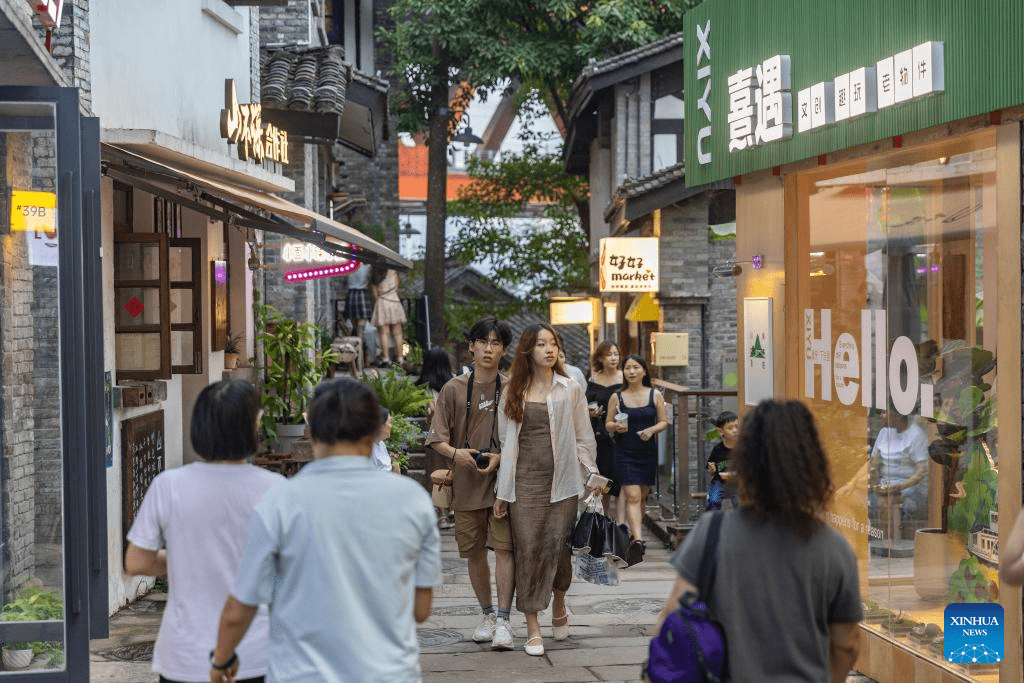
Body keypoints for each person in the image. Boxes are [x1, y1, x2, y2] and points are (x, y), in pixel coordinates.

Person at [210, 378, 441, 683]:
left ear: (311, 431)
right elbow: (420, 609)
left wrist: (221, 661)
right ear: (374, 431)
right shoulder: (413, 501)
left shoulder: (280, 501)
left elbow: (239, 608)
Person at [656, 400, 862, 683]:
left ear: (745, 460)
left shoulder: (712, 533)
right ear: (814, 461)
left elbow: (671, 618)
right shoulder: (835, 548)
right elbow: (846, 644)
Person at [125, 379, 284, 683]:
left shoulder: (169, 485)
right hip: (256, 654)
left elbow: (136, 562)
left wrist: (183, 560)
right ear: (251, 428)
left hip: (185, 655)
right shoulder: (276, 490)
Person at [494, 323, 602, 656]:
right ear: (528, 350)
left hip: (563, 481)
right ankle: (532, 627)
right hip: (523, 482)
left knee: (558, 549)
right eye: (541, 344)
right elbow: (505, 441)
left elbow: (584, 437)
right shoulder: (512, 388)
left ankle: (559, 600)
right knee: (527, 550)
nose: (549, 349)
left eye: (553, 343)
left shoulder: (570, 388)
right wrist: (502, 491)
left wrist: (592, 476)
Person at [425, 317, 516, 649]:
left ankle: (505, 620)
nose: (489, 348)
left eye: (496, 343)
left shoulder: (512, 387)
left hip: (504, 483)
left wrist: (501, 458)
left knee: (505, 550)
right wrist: (458, 455)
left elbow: (523, 438)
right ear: (472, 347)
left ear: (504, 350)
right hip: (465, 482)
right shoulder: (453, 389)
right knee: (475, 553)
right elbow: (437, 440)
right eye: (483, 342)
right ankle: (488, 615)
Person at [605, 354, 668, 548]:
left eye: (636, 368)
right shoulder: (617, 397)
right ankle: (639, 541)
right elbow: (607, 424)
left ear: (644, 371)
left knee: (642, 496)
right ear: (623, 372)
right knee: (632, 495)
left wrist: (651, 430)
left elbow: (663, 422)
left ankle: (634, 533)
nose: (631, 372)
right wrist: (615, 427)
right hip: (624, 451)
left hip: (647, 451)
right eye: (627, 368)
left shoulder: (654, 394)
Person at [868, 407, 928, 533]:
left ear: (897, 415)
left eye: (885, 412)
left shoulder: (916, 435)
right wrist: (872, 484)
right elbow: (872, 465)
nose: (881, 415)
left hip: (911, 491)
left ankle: (888, 541)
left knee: (885, 501)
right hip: (886, 487)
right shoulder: (884, 432)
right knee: (848, 496)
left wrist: (899, 487)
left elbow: (922, 471)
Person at [417, 347, 455, 527]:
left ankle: (442, 515)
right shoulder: (456, 381)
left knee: (436, 473)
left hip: (435, 436)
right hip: (456, 433)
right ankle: (455, 509)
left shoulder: (426, 387)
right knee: (455, 469)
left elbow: (430, 410)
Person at [585, 341, 624, 518]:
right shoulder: (593, 379)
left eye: (616, 354)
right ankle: (605, 519)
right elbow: (584, 403)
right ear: (600, 358)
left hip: (621, 434)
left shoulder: (625, 378)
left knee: (621, 480)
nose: (613, 358)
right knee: (604, 480)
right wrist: (590, 411)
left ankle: (621, 525)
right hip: (599, 435)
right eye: (609, 354)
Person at [371, 265, 407, 367]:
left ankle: (386, 359)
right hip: (394, 301)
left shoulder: (375, 274)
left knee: (383, 333)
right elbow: (397, 287)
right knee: (398, 333)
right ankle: (400, 358)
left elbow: (375, 294)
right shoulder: (394, 272)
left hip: (382, 302)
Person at [705, 411, 738, 510]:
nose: (735, 430)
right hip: (719, 481)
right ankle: (713, 523)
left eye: (737, 426)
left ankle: (743, 524)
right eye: (730, 428)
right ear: (720, 431)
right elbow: (710, 469)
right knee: (713, 501)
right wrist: (712, 469)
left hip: (738, 482)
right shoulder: (718, 448)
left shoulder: (744, 448)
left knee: (741, 503)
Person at [343, 262, 373, 363]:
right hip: (362, 295)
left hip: (351, 296)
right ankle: (359, 358)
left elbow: (344, 282)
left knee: (355, 327)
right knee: (360, 330)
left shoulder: (348, 267)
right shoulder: (367, 267)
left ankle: (356, 358)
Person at [371, 407, 401, 473]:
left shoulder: (381, 444)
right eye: (390, 422)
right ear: (381, 425)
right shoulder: (369, 448)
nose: (391, 426)